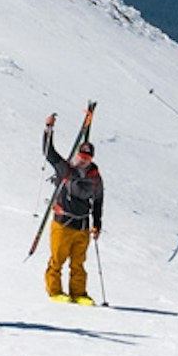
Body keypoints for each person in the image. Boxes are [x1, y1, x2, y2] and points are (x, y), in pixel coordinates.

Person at [42, 116, 104, 305]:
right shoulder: (65, 169)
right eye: (81, 156)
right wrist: (48, 129)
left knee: (78, 263)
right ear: (77, 154)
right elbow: (49, 153)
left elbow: (98, 201)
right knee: (57, 260)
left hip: (82, 226)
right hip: (63, 223)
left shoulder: (95, 177)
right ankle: (55, 291)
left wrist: (97, 224)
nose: (83, 161)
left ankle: (79, 293)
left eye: (87, 158)